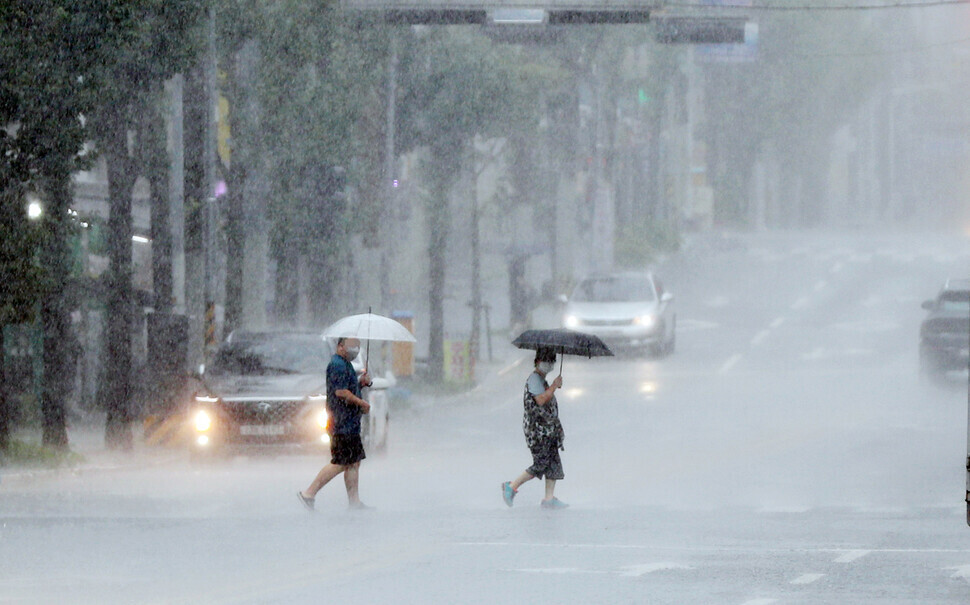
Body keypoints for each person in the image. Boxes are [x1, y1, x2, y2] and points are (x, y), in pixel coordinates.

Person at [298, 337, 372, 512]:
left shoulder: (346, 364)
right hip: (342, 423)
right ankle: (309, 493)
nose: (355, 349)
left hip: (350, 423)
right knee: (341, 462)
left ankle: (354, 503)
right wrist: (362, 404)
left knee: (353, 462)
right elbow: (341, 392)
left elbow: (349, 389)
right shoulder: (337, 365)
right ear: (340, 346)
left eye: (357, 346)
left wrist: (360, 384)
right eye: (351, 346)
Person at [502, 347, 568, 509]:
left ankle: (549, 498)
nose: (550, 364)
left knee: (553, 462)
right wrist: (553, 386)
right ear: (538, 362)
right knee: (541, 463)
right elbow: (540, 400)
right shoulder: (534, 379)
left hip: (548, 430)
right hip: (537, 432)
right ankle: (511, 486)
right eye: (547, 361)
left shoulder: (541, 380)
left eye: (552, 361)